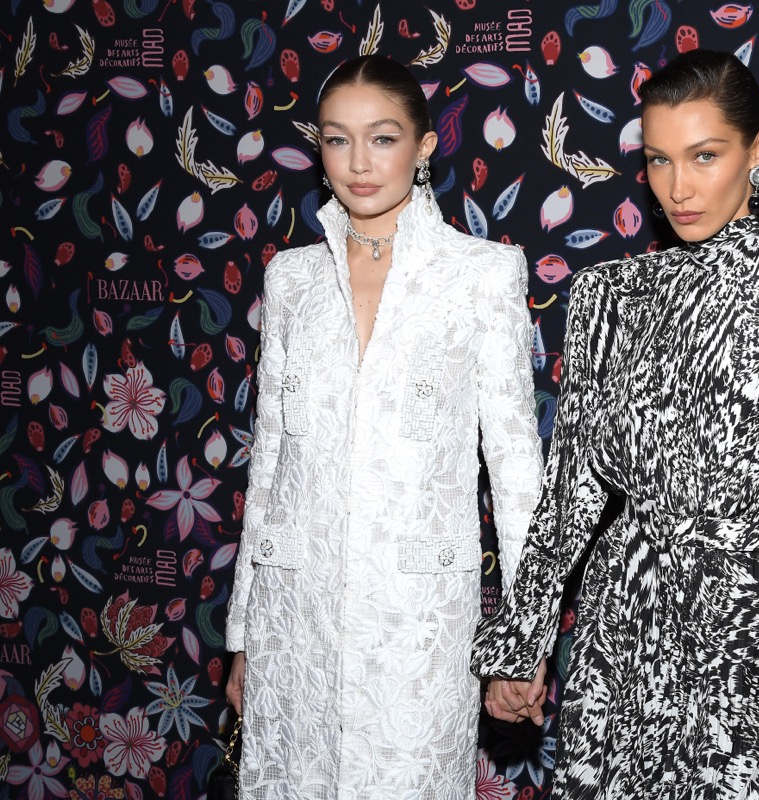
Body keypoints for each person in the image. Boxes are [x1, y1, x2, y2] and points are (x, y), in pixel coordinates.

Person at [471, 49, 759, 799]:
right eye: (660, 160)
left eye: (705, 156)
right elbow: (571, 490)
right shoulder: (609, 294)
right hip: (618, 633)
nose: (679, 187)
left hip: (748, 639)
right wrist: (523, 640)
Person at [223, 55, 542, 799]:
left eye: (383, 138)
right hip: (293, 619)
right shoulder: (292, 278)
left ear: (425, 146)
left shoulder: (482, 274)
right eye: (337, 140)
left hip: (418, 627)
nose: (359, 164)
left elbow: (517, 470)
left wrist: (523, 637)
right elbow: (271, 463)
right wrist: (244, 636)